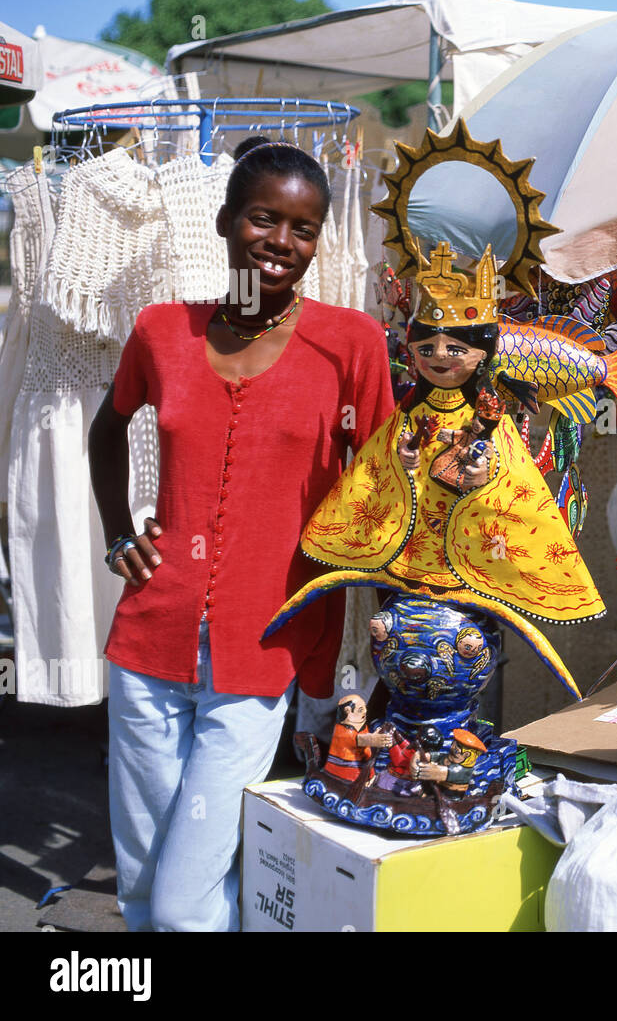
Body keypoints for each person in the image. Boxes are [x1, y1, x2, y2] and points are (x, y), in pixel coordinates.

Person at [88, 137, 395, 932]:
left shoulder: (350, 344)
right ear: (226, 221)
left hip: (263, 648)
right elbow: (105, 429)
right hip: (149, 638)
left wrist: (351, 636)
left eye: (304, 228)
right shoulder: (163, 331)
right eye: (265, 218)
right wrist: (120, 532)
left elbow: (384, 489)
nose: (283, 243)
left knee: (188, 897)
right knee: (144, 879)